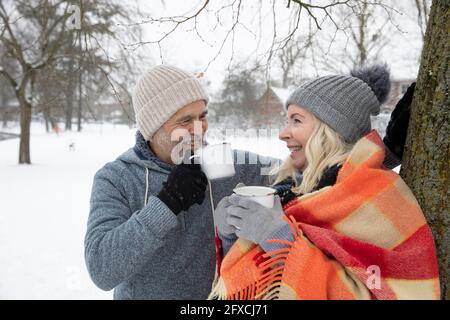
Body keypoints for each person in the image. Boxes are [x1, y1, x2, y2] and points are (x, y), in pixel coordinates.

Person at [211, 64, 440, 300]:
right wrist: (232, 235)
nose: (282, 133)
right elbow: (255, 279)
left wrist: (280, 239)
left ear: (329, 130)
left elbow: (374, 294)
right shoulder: (295, 190)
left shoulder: (374, 199)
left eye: (296, 121)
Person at [84, 65, 273, 299]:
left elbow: (291, 171)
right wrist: (168, 202)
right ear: (154, 128)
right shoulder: (117, 178)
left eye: (202, 116)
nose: (199, 128)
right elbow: (102, 269)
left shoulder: (220, 163)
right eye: (185, 120)